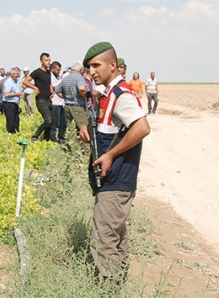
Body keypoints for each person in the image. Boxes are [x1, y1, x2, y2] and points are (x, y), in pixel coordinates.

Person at [80, 41, 150, 282]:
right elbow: (110, 133)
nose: (92, 72)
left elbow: (141, 128)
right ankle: (118, 284)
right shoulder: (108, 94)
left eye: (96, 65)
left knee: (103, 239)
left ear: (113, 65)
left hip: (117, 181)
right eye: (89, 67)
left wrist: (110, 155)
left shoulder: (120, 94)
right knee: (116, 237)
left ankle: (109, 287)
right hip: (113, 181)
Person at [24, 52, 53, 143]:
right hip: (41, 100)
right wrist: (35, 88)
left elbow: (49, 83)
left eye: (49, 60)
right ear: (41, 61)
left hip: (49, 99)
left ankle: (47, 139)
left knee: (51, 122)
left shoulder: (48, 72)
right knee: (48, 120)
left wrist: (52, 91)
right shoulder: (37, 72)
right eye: (46, 60)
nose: (48, 62)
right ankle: (35, 136)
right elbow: (26, 81)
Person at [56, 60, 88, 131]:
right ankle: (83, 142)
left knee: (70, 129)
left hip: (67, 106)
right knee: (83, 128)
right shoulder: (79, 77)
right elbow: (82, 88)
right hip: (78, 106)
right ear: (81, 70)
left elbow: (57, 90)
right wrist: (86, 97)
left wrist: (65, 97)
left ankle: (71, 141)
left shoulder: (66, 78)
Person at [1, 68, 23, 133]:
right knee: (11, 120)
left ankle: (16, 132)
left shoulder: (16, 81)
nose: (15, 75)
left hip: (15, 103)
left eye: (17, 74)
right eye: (14, 74)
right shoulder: (9, 82)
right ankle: (11, 133)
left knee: (16, 120)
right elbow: (6, 94)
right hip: (9, 104)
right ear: (11, 74)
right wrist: (17, 94)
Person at [50, 61, 66, 143]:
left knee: (63, 123)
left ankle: (61, 138)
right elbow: (57, 89)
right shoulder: (51, 77)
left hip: (61, 103)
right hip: (55, 103)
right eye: (57, 70)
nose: (58, 71)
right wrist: (65, 96)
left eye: (59, 70)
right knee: (56, 123)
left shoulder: (59, 77)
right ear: (52, 69)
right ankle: (53, 139)